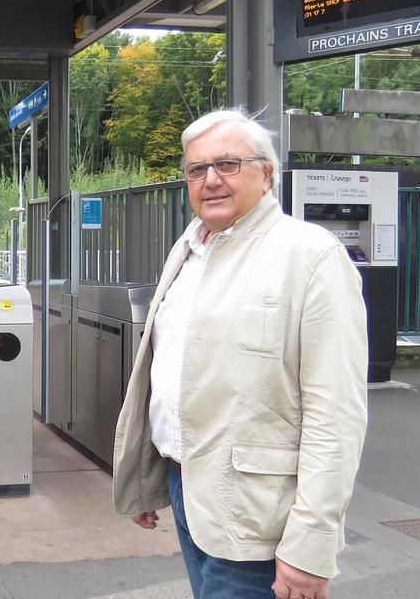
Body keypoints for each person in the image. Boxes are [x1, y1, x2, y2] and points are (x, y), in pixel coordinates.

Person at [111, 108, 368, 599]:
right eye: (197, 169)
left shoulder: (311, 256)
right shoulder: (188, 249)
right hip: (187, 486)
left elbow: (335, 415)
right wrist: (149, 476)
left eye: (228, 164)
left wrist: (310, 546)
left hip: (259, 520)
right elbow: (167, 373)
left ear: (266, 174)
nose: (211, 180)